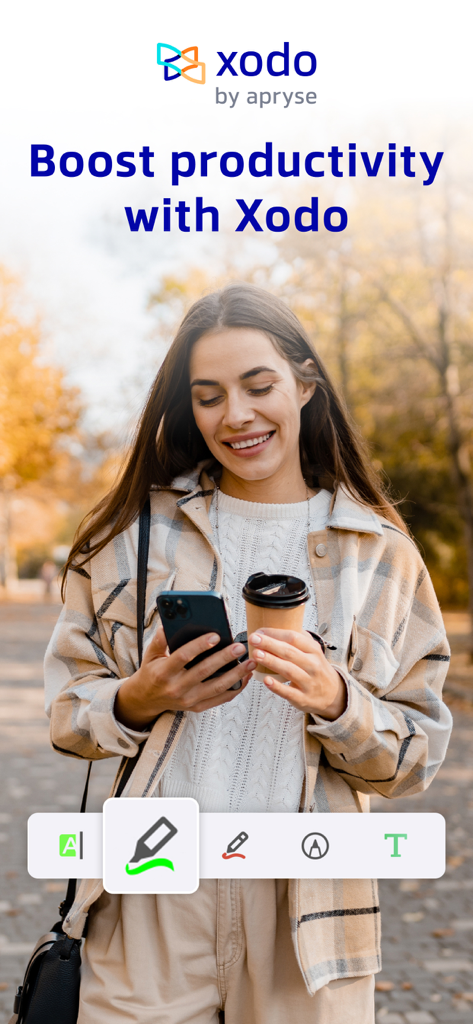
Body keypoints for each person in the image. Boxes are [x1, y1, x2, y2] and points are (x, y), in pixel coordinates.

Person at [45, 283, 452, 1024]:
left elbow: (417, 755)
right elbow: (69, 714)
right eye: (207, 396)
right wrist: (143, 695)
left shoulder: (380, 556)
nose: (235, 415)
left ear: (303, 383)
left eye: (257, 385)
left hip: (309, 905)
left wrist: (337, 701)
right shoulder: (130, 539)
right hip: (152, 886)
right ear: (187, 409)